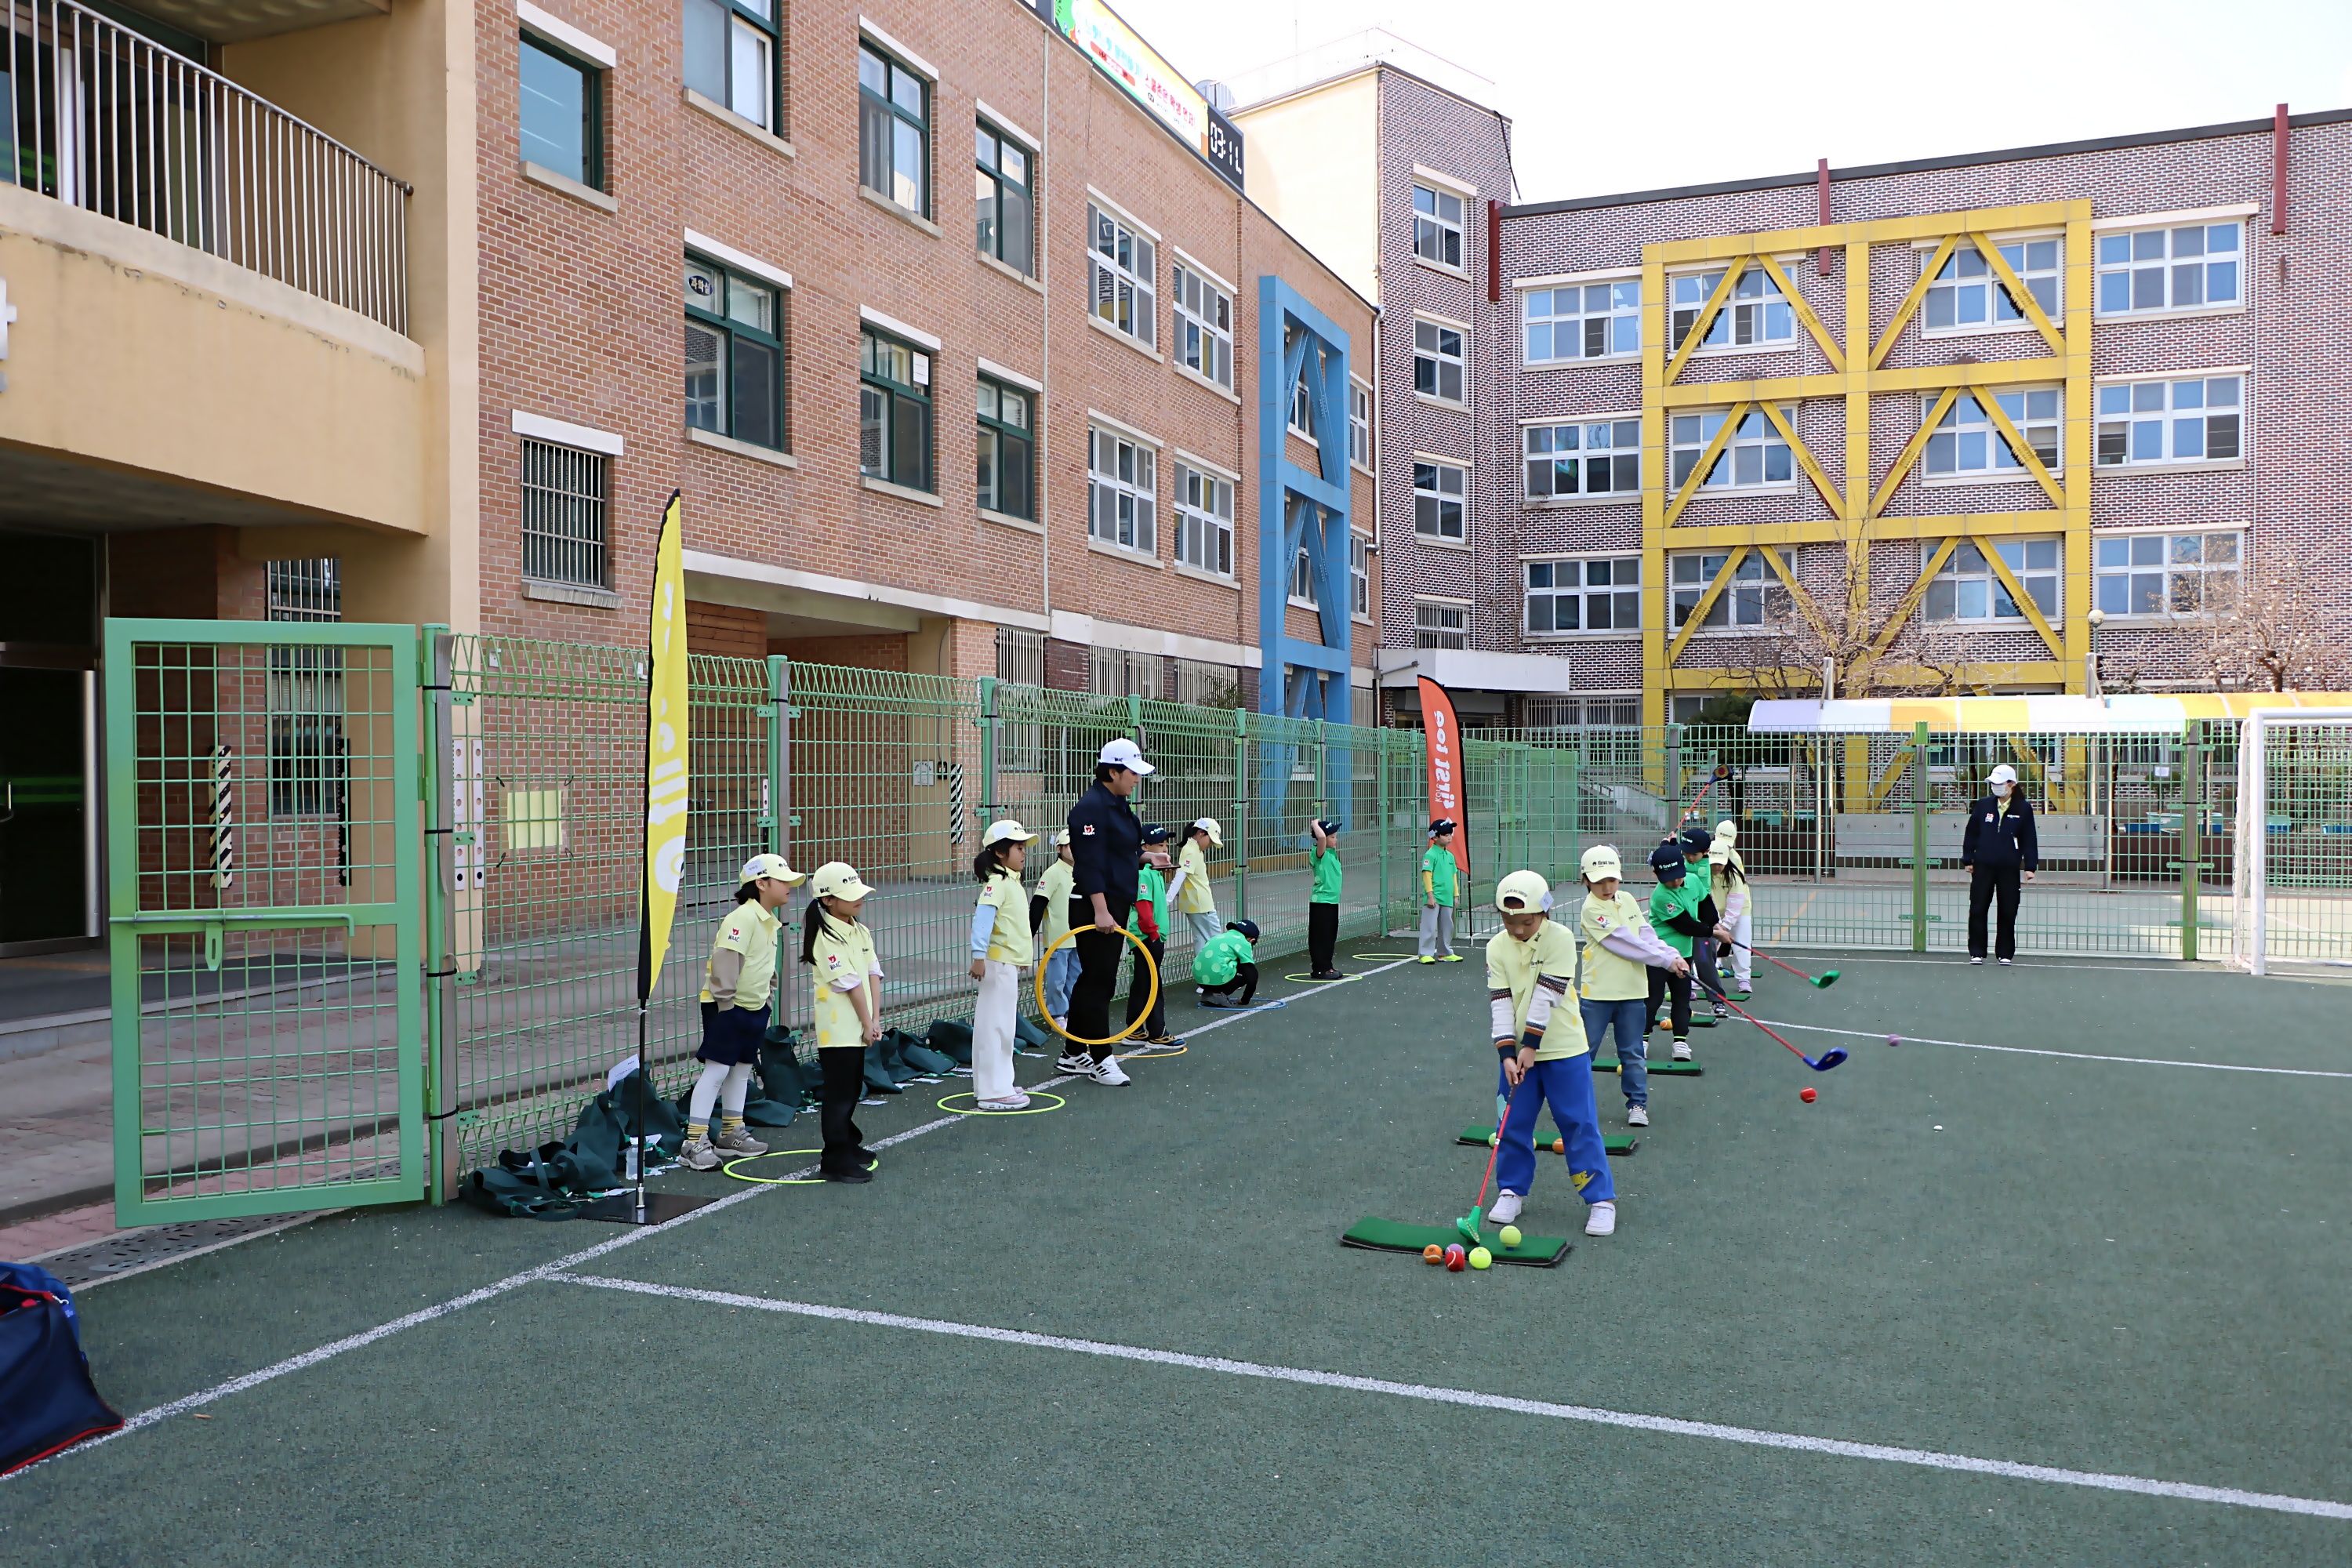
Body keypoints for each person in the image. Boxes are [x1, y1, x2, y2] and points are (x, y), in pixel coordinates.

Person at [1484, 870, 1617, 1238]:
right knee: (1511, 1123)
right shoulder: (1496, 946)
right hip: (1519, 1054)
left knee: (1578, 1125)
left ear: (1544, 912)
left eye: (1526, 922)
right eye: (1509, 921)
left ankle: (1600, 1200)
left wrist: (1529, 1046)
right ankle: (1511, 1191)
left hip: (1564, 1049)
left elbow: (1546, 996)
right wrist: (1507, 1053)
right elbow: (1501, 1002)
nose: (1517, 930)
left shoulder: (1560, 939)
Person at [678, 852, 807, 1171]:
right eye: (783, 881)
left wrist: (766, 1000)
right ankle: (693, 1142)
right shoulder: (743, 918)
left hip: (753, 1007)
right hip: (728, 1007)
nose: (790, 886)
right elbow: (725, 962)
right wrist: (727, 1005)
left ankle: (730, 1133)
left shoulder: (768, 920)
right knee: (717, 1070)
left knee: (741, 1070)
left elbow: (765, 967)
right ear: (761, 884)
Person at [1576, 845, 1688, 1130]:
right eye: (1599, 881)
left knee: (1633, 1053)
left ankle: (1637, 1105)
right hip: (1598, 994)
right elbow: (1625, 943)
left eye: (1612, 880)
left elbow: (1645, 934)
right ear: (1585, 879)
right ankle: (1574, 1106)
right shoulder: (1591, 909)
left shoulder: (1626, 899)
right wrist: (1666, 961)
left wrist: (1672, 954)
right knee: (1583, 1054)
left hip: (1633, 993)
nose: (1607, 887)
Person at [1062, 738, 1150, 1085]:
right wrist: (1100, 909)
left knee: (1095, 979)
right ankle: (1101, 1057)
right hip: (1094, 904)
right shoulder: (1091, 808)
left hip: (1113, 902)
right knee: (1100, 982)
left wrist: (1148, 857)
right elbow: (1090, 863)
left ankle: (1072, 1053)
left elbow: (1122, 849)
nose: (1137, 779)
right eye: (1132, 772)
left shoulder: (1118, 803)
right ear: (1113, 772)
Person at [802, 862, 884, 1182]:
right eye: (849, 895)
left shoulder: (859, 929)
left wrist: (875, 1019)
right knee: (840, 1094)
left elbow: (873, 972)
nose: (859, 899)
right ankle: (835, 1158)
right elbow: (850, 984)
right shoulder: (825, 936)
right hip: (837, 1030)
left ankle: (849, 1144)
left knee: (851, 1088)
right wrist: (867, 1022)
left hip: (858, 1025)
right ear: (827, 900)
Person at [969, 819, 1040, 1110]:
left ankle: (999, 1084)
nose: (1024, 853)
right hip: (996, 965)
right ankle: (993, 1091)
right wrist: (978, 957)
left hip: (1005, 964)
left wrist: (1019, 959)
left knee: (1002, 1026)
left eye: (1024, 847)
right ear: (1000, 852)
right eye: (1018, 847)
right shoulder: (997, 883)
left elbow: (1012, 926)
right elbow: (983, 921)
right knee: (996, 1027)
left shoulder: (1010, 881)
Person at [1961, 762, 2038, 965]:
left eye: (2000, 783)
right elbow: (1971, 832)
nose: (1995, 787)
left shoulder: (2023, 808)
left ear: (2012, 784)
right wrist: (1968, 858)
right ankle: (1977, 951)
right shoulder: (1983, 805)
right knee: (1978, 908)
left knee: (2008, 909)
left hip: (2009, 867)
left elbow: (2029, 838)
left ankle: (2005, 953)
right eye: (1993, 783)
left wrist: (2030, 866)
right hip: (1983, 865)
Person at [1646, 841, 1707, 1062]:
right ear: (1657, 875)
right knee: (1653, 1000)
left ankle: (1680, 1042)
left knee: (1682, 1000)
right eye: (1669, 878)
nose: (1675, 881)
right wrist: (1714, 933)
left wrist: (1717, 925)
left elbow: (1706, 906)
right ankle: (1642, 1040)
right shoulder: (1661, 896)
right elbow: (1685, 925)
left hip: (1684, 954)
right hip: (1658, 956)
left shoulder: (1694, 881)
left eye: (1678, 876)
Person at [1123, 826, 1181, 1047]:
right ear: (1144, 847)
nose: (1165, 849)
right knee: (1153, 985)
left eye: (1166, 845)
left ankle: (1135, 1030)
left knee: (1142, 984)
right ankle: (1157, 1033)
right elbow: (1144, 908)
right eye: (1159, 845)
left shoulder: (1153, 872)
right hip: (1147, 938)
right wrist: (1153, 934)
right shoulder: (1143, 873)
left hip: (1150, 936)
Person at [1029, 829, 1077, 1033]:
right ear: (1059, 849)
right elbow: (1038, 905)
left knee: (1075, 978)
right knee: (1057, 981)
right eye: (1070, 845)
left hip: (1079, 938)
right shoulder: (1052, 873)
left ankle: (1072, 1013)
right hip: (1058, 940)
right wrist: (1028, 937)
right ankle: (1056, 1015)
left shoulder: (1084, 871)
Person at [1677, 823, 1727, 1018]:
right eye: (1686, 852)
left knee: (1705, 961)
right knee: (1678, 961)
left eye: (1694, 854)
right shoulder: (1686, 861)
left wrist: (1669, 845)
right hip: (1681, 921)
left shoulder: (1701, 868)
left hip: (1700, 922)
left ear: (1705, 852)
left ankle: (1717, 1000)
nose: (1689, 857)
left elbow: (1679, 867)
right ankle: (1681, 998)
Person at [1709, 820, 1752, 1000]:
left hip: (1739, 908)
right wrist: (1715, 922)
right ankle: (1702, 975)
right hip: (1713, 908)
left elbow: (1735, 902)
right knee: (1706, 943)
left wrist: (1725, 925)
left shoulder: (1734, 862)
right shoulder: (1707, 858)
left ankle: (1744, 979)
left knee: (1742, 944)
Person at [1171, 818, 1224, 956]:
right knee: (1216, 940)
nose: (1210, 844)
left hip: (1195, 904)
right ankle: (1217, 967)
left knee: (1200, 938)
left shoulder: (1193, 849)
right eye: (1210, 840)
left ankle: (1202, 967)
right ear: (1201, 833)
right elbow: (1179, 877)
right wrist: (1166, 900)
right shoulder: (1191, 851)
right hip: (1201, 904)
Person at [1418, 818, 1461, 963]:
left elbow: (1454, 876)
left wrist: (1456, 895)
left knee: (1447, 926)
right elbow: (1427, 875)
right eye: (1445, 835)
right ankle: (1425, 953)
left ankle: (1444, 952)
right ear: (1435, 837)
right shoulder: (1430, 855)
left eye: (1450, 834)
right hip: (1434, 897)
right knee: (1429, 926)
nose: (1449, 837)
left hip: (1447, 897)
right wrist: (1430, 895)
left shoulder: (1450, 856)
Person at [1194, 918, 1261, 1007]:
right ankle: (1219, 993)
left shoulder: (1219, 937)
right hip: (1217, 979)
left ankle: (1209, 993)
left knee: (1228, 960)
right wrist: (1245, 1000)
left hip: (1199, 979)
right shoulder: (1244, 942)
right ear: (1252, 940)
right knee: (1246, 969)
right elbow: (1252, 976)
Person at [1308, 818, 1345, 978]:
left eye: (1336, 836)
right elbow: (1322, 837)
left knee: (1330, 936)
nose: (1335, 840)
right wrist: (1315, 824)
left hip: (1332, 902)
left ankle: (1327, 966)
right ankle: (1320, 968)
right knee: (1320, 937)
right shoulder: (1319, 853)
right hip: (1321, 902)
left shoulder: (1331, 853)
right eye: (1332, 837)